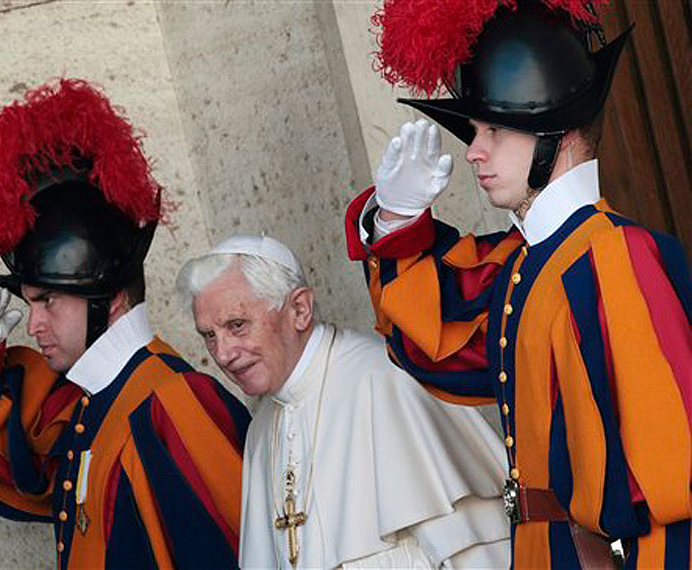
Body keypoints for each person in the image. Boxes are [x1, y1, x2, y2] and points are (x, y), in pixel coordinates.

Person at [345, 1, 692, 568]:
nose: (474, 151)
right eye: (476, 131)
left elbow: (672, 488)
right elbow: (436, 351)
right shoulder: (524, 265)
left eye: (495, 129)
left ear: (555, 133)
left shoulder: (616, 254)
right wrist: (396, 219)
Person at [0, 79, 250, 569]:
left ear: (110, 296)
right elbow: (21, 485)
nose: (33, 325)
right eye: (31, 303)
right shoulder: (101, 401)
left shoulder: (172, 402)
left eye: (48, 300)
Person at [176, 233, 512, 569]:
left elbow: (473, 552)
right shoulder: (262, 430)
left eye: (237, 325)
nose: (222, 354)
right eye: (209, 335)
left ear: (299, 309)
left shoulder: (385, 380)